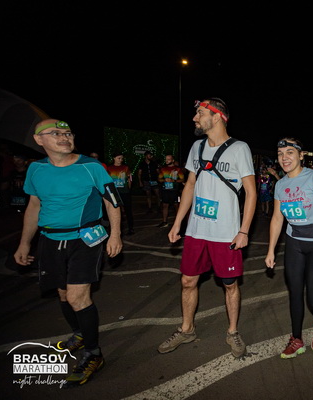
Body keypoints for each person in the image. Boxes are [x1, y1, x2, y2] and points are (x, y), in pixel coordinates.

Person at [13, 119, 122, 386]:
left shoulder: (91, 166)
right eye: (56, 133)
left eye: (68, 133)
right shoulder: (36, 169)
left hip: (85, 238)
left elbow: (112, 201)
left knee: (77, 296)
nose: (65, 137)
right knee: (63, 294)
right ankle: (80, 333)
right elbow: (34, 206)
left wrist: (116, 235)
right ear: (39, 140)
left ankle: (93, 354)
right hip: (50, 239)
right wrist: (25, 243)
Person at [158, 98, 256, 358]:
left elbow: (251, 191)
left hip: (226, 232)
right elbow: (190, 185)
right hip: (196, 230)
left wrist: (244, 231)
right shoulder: (197, 147)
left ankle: (232, 332)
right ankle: (187, 329)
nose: (195, 118)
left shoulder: (239, 148)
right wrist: (178, 222)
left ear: (217, 116)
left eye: (200, 113)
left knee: (229, 284)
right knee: (187, 280)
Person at [265, 138, 313, 358]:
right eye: (280, 154)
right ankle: (296, 338)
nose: (284, 158)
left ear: (300, 155)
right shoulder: (280, 185)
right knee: (295, 294)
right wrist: (270, 250)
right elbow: (277, 218)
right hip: (294, 243)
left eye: (290, 152)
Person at [106, 151, 135, 235]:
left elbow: (130, 178)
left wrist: (128, 188)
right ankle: (116, 230)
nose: (120, 160)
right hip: (114, 193)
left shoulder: (125, 167)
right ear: (114, 158)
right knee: (115, 211)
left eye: (122, 158)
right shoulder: (109, 168)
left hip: (125, 192)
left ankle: (131, 228)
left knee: (128, 210)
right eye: (119, 158)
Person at [157, 154, 185, 228]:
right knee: (165, 205)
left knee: (176, 206)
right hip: (165, 190)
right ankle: (164, 222)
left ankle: (179, 223)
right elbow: (159, 179)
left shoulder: (178, 169)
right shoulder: (163, 169)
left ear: (173, 160)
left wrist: (174, 180)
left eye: (168, 159)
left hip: (174, 190)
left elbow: (182, 179)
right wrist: (164, 180)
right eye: (166, 159)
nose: (167, 161)